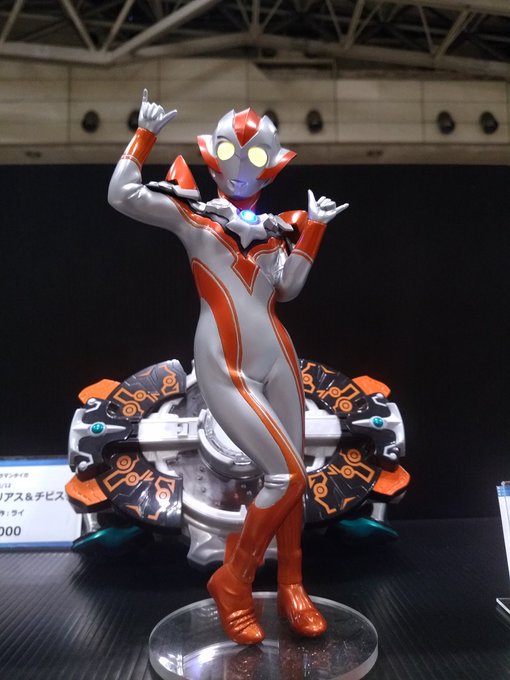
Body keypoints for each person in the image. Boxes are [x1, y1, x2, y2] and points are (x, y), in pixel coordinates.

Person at [108, 90, 348, 644]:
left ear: (275, 163)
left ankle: (292, 585)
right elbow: (121, 194)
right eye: (228, 151)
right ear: (209, 154)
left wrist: (313, 228)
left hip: (279, 355)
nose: (241, 165)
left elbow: (287, 289)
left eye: (256, 155)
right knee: (286, 474)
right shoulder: (195, 217)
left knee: (294, 482)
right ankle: (234, 581)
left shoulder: (274, 230)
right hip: (223, 360)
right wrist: (144, 135)